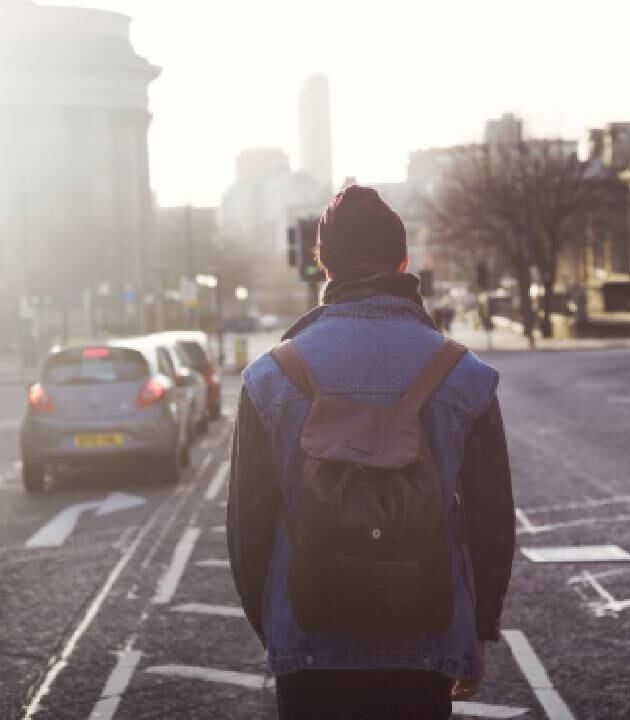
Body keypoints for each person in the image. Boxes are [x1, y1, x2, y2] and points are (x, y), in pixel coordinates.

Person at [228, 185, 515, 720]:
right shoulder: (464, 374)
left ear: (324, 267)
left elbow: (248, 529)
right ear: (403, 261)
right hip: (425, 640)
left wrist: (278, 628)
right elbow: (492, 518)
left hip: (309, 641)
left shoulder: (269, 378)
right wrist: (478, 631)